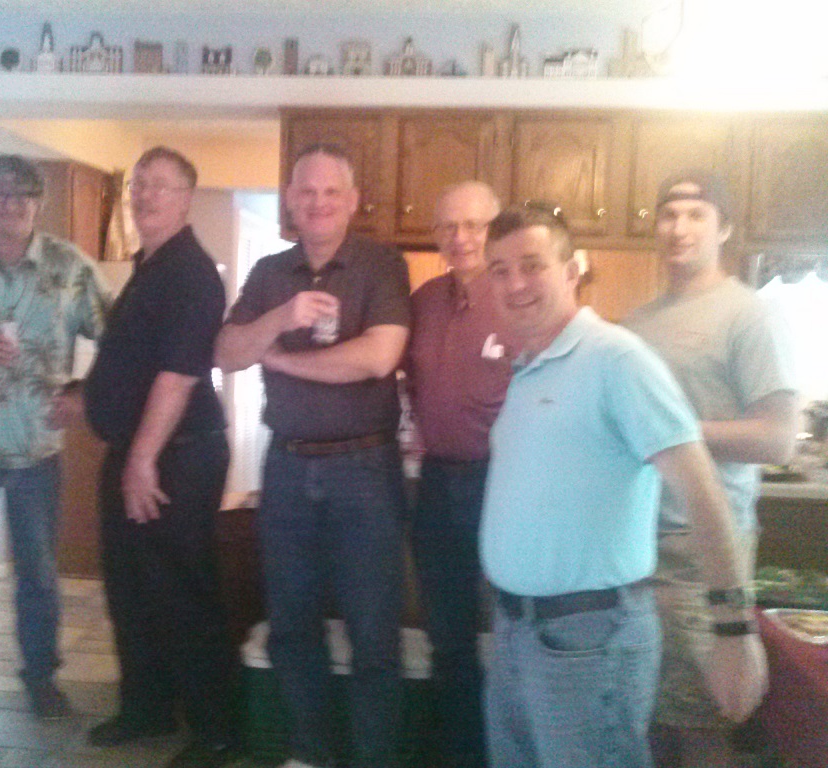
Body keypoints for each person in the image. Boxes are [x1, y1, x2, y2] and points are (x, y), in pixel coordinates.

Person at [479, 203, 767, 768]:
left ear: (572, 271)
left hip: (588, 641)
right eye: (500, 270)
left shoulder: (616, 358)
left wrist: (734, 629)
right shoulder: (529, 368)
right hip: (518, 632)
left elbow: (702, 492)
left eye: (532, 265)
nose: (515, 284)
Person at [216, 143, 411, 768]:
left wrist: (280, 360)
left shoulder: (382, 265)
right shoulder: (270, 273)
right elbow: (226, 351)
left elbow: (377, 358)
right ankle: (310, 754)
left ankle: (374, 759)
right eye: (307, 192)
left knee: (373, 633)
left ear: (352, 201)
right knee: (292, 627)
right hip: (288, 466)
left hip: (366, 471)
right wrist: (282, 317)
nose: (319, 203)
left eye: (332, 192)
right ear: (290, 202)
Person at [623, 171, 799, 768]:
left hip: (705, 550)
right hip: (636, 546)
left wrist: (675, 435)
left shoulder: (748, 314)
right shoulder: (637, 324)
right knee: (649, 718)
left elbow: (778, 438)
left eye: (696, 214)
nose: (679, 227)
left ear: (724, 228)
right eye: (669, 214)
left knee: (704, 722)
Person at [82, 147, 239, 768]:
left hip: (175, 457)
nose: (145, 195)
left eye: (160, 185)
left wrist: (142, 459)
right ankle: (146, 708)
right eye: (139, 184)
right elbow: (135, 363)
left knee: (180, 593)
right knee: (131, 590)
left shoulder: (191, 273)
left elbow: (177, 375)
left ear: (186, 199)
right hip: (140, 450)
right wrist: (83, 395)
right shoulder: (149, 267)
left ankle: (216, 731)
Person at [0, 155, 110, 722]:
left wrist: (84, 392)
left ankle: (41, 677)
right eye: (0, 194)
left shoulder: (70, 267)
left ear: (39, 201)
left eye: (23, 195)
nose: (11, 204)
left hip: (37, 447)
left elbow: (121, 337)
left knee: (38, 573)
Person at [404, 181, 507, 768]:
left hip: (505, 484)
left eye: (474, 225)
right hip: (439, 483)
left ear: (494, 228)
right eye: (448, 226)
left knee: (515, 631)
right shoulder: (424, 300)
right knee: (448, 633)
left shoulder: (518, 297)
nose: (460, 237)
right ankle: (458, 752)